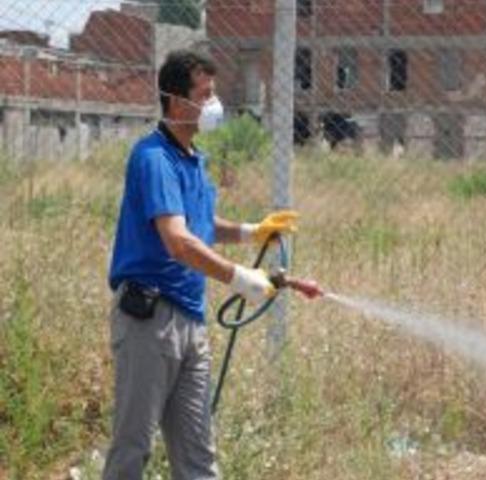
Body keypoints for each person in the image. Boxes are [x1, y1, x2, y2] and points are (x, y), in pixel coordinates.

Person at [103, 49, 322, 480]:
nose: (214, 105)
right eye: (206, 95)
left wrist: (251, 231)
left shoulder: (192, 160)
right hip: (150, 320)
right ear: (177, 101)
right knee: (133, 448)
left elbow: (199, 225)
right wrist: (241, 278)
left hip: (190, 320)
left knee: (199, 455)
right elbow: (178, 241)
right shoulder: (153, 159)